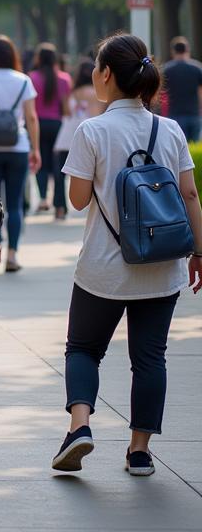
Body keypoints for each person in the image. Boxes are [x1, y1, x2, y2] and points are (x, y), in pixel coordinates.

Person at [51, 34, 202, 477]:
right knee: (150, 358)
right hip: (162, 264)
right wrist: (199, 249)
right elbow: (189, 194)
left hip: (103, 267)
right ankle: (139, 452)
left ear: (107, 75)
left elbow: (78, 200)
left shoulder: (92, 130)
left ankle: (80, 427)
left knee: (82, 348)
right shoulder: (169, 129)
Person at [0, 36, 41, 273]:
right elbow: (31, 117)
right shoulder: (23, 81)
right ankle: (13, 254)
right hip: (18, 148)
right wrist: (35, 148)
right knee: (15, 204)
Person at [54, 61, 103, 220]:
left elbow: (67, 113)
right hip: (87, 139)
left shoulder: (71, 93)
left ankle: (60, 208)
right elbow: (97, 117)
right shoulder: (96, 94)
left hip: (66, 138)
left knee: (60, 176)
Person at [30, 43, 72, 215]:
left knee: (41, 162)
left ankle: (43, 199)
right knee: (59, 166)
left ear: (38, 59)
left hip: (38, 124)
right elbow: (67, 109)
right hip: (57, 125)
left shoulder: (31, 77)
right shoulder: (64, 79)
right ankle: (60, 206)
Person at [162, 38, 202, 142]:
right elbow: (200, 92)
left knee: (178, 148)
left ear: (173, 51)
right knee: (193, 147)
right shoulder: (197, 68)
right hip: (194, 114)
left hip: (174, 115)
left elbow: (163, 94)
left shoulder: (167, 70)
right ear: (187, 50)